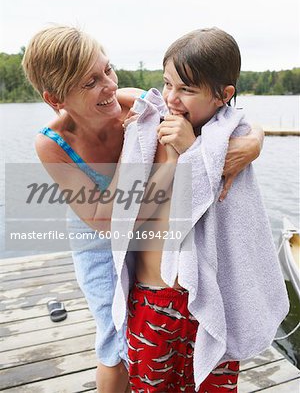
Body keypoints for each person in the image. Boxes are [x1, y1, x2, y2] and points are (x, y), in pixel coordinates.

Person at [22, 25, 264, 393]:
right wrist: (171, 163)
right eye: (90, 82)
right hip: (99, 228)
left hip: (147, 219)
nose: (108, 85)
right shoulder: (52, 143)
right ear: (56, 98)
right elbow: (108, 221)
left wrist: (254, 142)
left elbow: (223, 119)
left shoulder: (134, 106)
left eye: (108, 69)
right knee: (114, 339)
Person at [114, 28, 289, 392]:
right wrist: (183, 156)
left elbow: (233, 219)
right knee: (151, 386)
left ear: (223, 96)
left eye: (187, 90)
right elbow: (133, 211)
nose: (172, 99)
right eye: (167, 84)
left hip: (211, 305)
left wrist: (199, 150)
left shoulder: (229, 141)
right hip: (151, 297)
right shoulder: (151, 128)